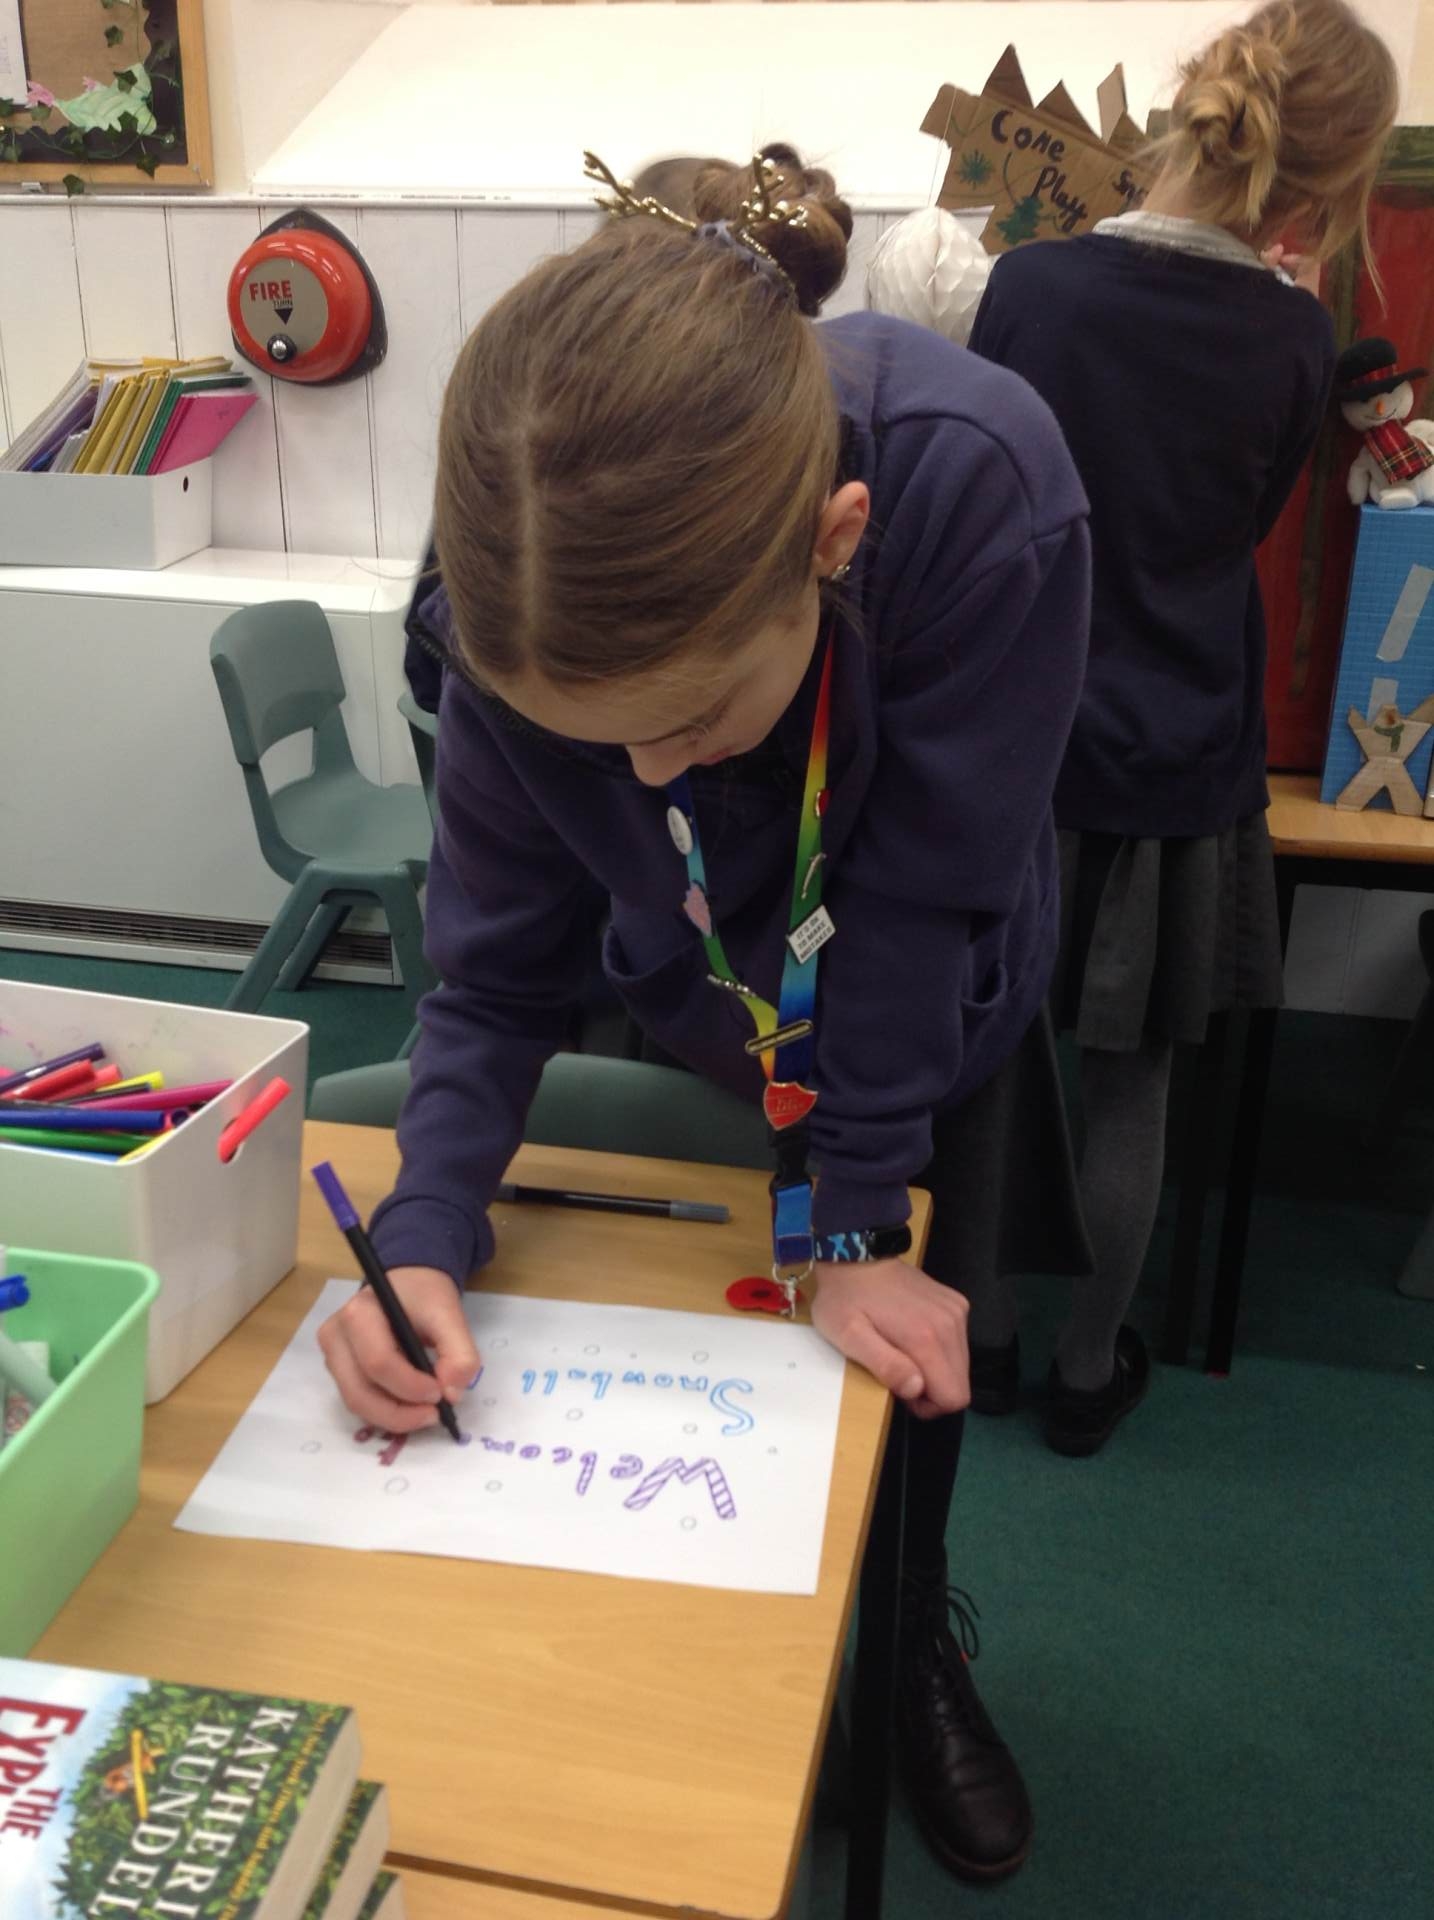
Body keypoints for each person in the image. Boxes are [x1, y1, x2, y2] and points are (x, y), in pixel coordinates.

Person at [319, 146, 1093, 1883]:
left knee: (891, 1362)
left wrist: (851, 1216)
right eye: (593, 745)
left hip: (918, 1001)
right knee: (684, 1376)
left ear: (835, 544)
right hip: (683, 979)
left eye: (688, 722)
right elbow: (500, 965)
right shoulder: (515, 572)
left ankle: (907, 1642)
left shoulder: (975, 484)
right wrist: (424, 1229)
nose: (650, 776)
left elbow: (914, 906)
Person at [965, 0, 1398, 1454]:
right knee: (1131, 1080)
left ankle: (987, 1340)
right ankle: (1090, 1372)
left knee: (997, 1059)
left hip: (1020, 743)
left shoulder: (1027, 288)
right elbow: (1244, 527)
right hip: (1176, 744)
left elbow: (992, 501)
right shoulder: (1290, 336)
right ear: (1330, 182)